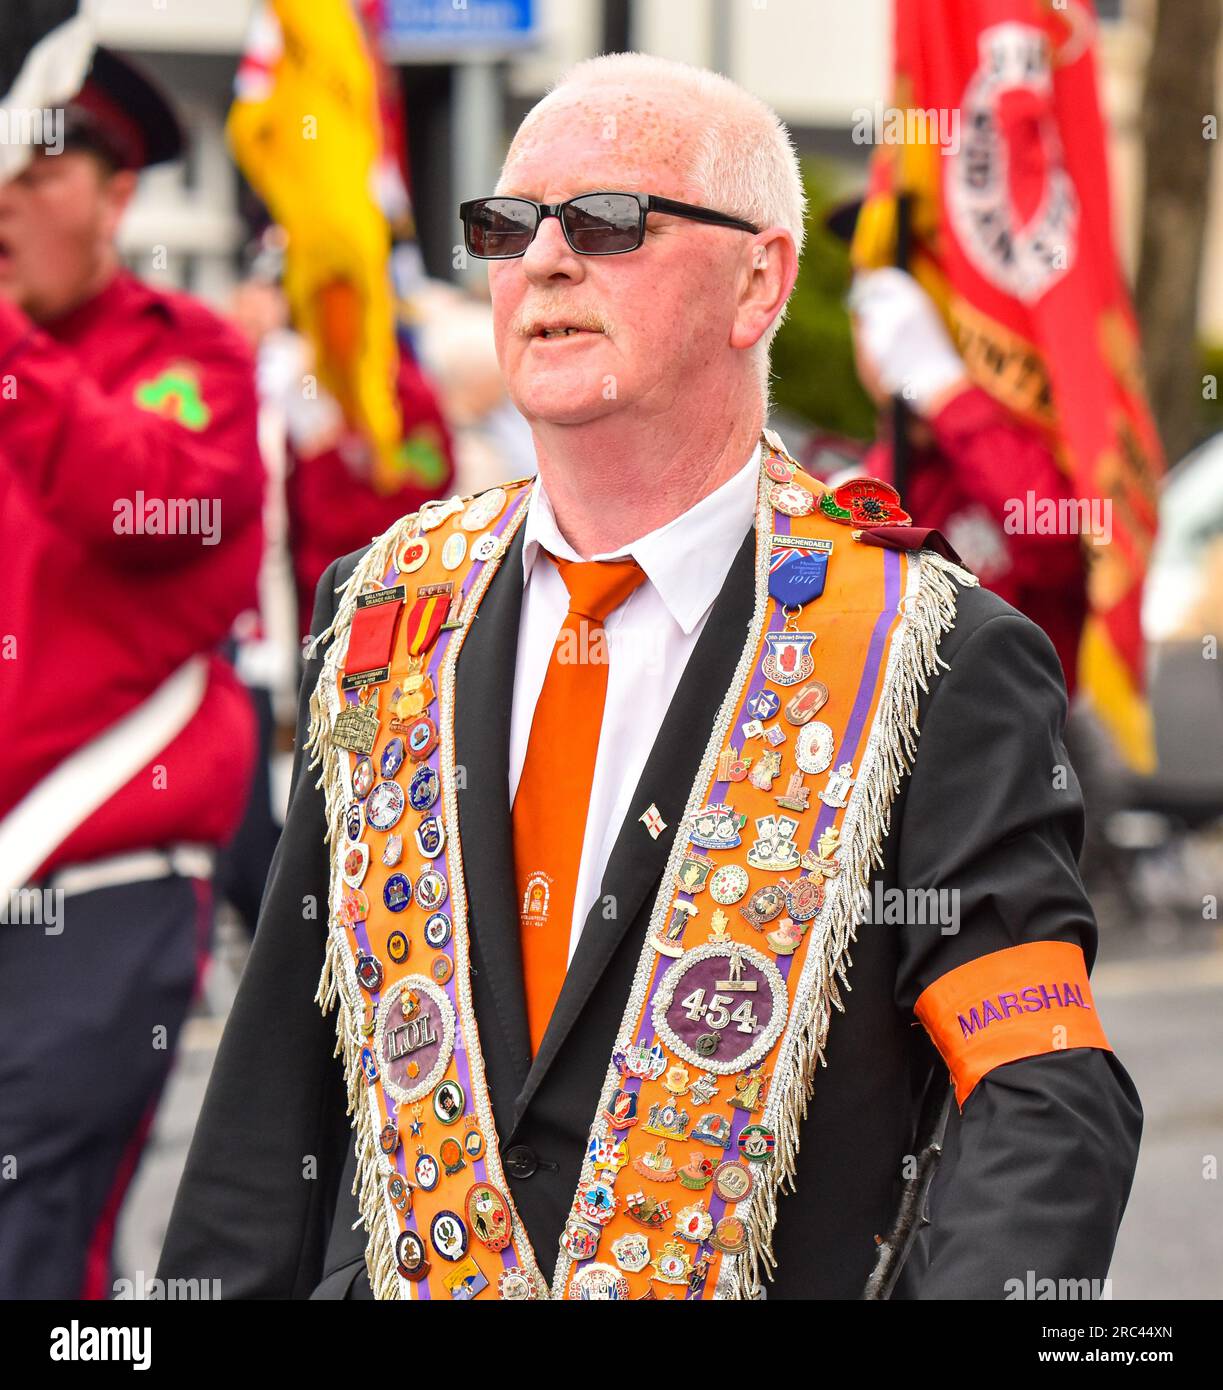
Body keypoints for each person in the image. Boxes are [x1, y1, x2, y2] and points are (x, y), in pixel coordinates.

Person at [160, 52, 1140, 1301]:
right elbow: (276, 1077)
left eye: (610, 221)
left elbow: (1033, 1082)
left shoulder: (927, 649)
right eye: (507, 226)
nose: (545, 260)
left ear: (757, 282)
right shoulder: (385, 609)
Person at [0, 46, 262, 1297]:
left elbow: (160, 507)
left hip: (92, 887)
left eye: (35, 168)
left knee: (32, 1240)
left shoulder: (192, 356)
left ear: (114, 196)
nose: (1, 196)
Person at [845, 264, 1088, 694]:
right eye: (869, 304)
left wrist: (946, 391)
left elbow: (1055, 535)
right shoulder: (870, 475)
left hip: (1028, 736)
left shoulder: (1031, 445)